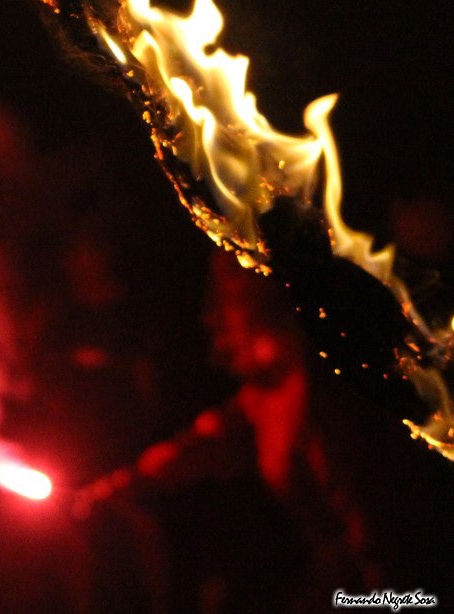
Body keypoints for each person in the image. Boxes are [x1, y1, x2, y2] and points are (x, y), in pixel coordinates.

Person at [74, 251, 375, 612]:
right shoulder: (264, 393)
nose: (211, 317)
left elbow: (378, 540)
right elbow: (206, 444)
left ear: (263, 302)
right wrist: (124, 483)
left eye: (225, 299)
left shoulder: (326, 396)